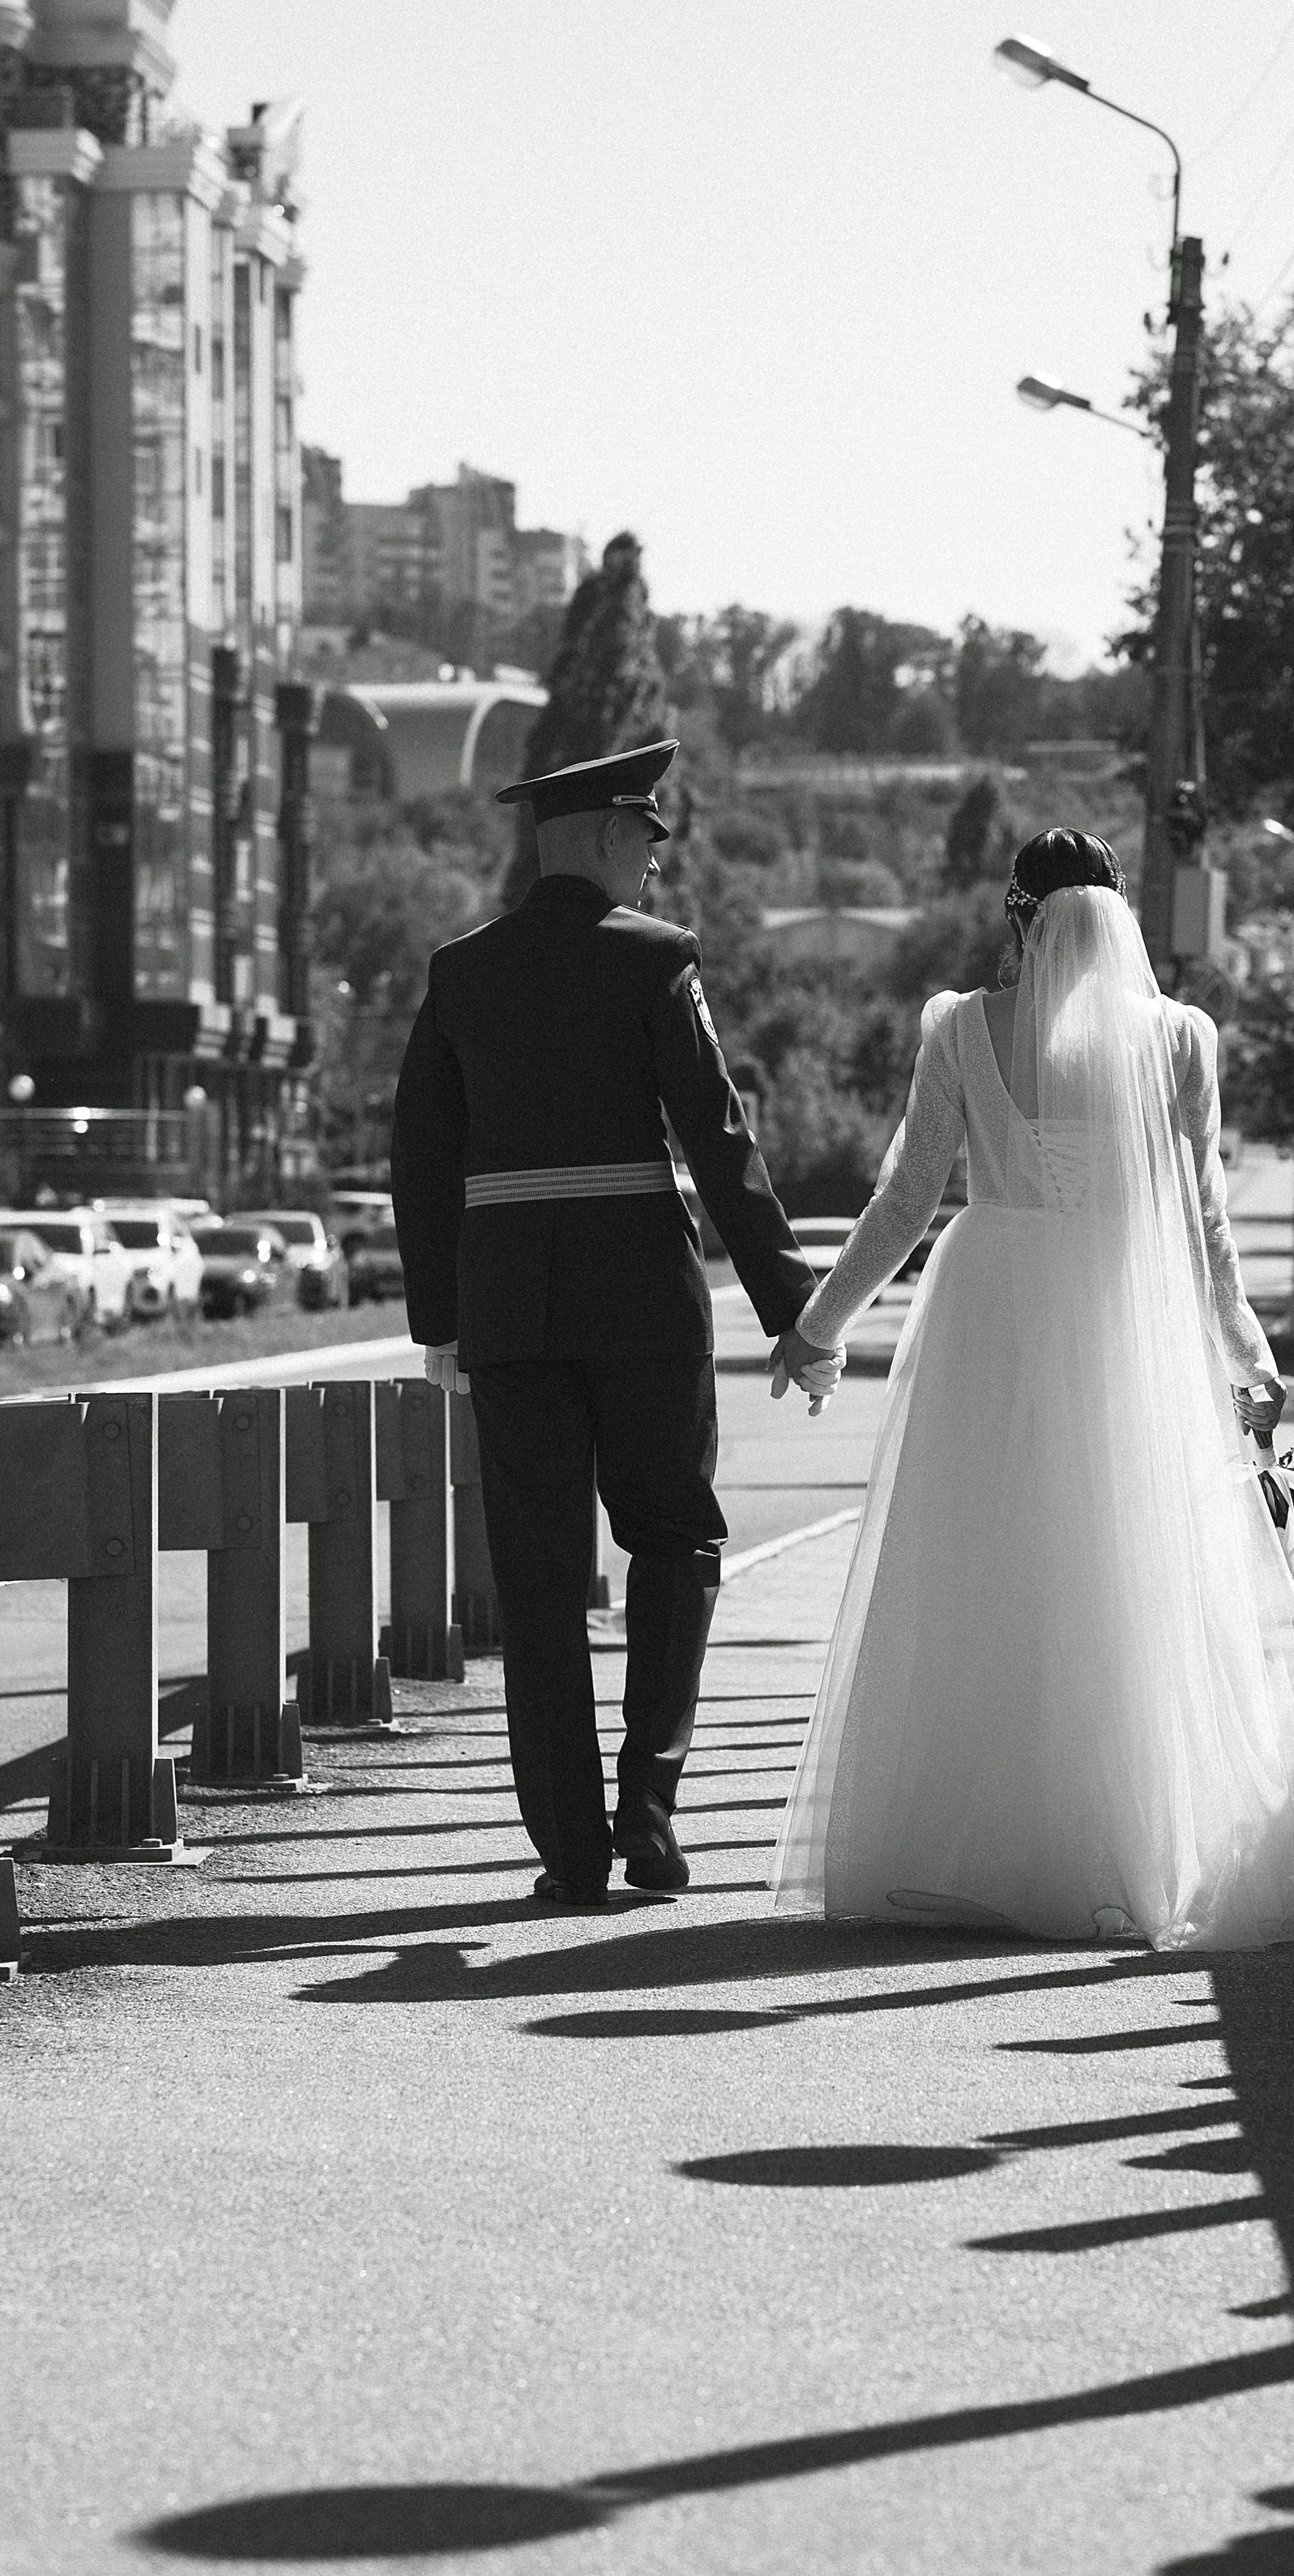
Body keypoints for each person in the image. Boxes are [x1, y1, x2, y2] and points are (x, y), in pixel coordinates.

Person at [771, 826, 1294, 1947]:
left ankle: (972, 1842)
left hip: (991, 1316)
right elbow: (1203, 1222)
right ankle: (1119, 1845)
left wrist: (818, 1327)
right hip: (1123, 1316)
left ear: (1017, 916)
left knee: (985, 1572)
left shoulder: (962, 1028)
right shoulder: (1180, 1037)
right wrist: (1248, 1356)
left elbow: (906, 1202)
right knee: (1123, 1569)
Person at [391, 738, 840, 1907]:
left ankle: (568, 1850)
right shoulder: (656, 960)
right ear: (601, 834)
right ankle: (649, 1809)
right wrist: (795, 1311)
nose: (653, 862)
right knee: (676, 1538)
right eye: (646, 838)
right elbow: (721, 1140)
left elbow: (422, 1158)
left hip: (510, 1309)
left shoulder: (460, 973)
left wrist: (440, 1319)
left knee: (539, 1577)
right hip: (641, 1300)